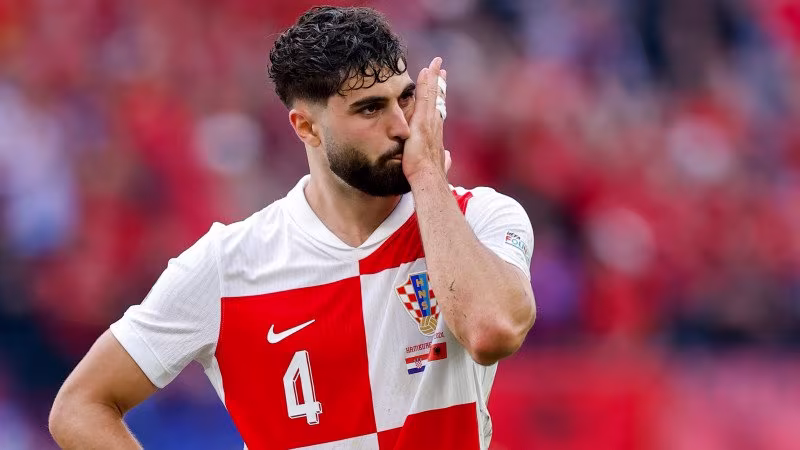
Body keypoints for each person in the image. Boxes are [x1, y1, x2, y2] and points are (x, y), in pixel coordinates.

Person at [48, 6, 536, 450]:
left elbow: (491, 331)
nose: (403, 127)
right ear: (306, 127)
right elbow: (80, 407)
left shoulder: (479, 218)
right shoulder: (228, 264)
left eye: (405, 99)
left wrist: (428, 177)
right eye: (369, 108)